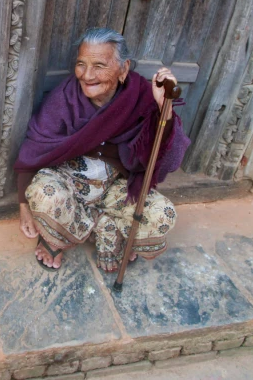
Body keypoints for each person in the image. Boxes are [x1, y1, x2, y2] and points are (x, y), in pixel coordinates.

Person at [14, 28, 190, 272]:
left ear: (123, 69)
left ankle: (99, 225)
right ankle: (91, 230)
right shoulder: (65, 98)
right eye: (81, 64)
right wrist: (23, 206)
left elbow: (169, 160)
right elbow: (33, 152)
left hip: (116, 186)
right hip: (69, 182)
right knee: (45, 194)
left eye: (99, 65)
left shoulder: (141, 98)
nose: (87, 75)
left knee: (162, 215)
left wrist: (165, 109)